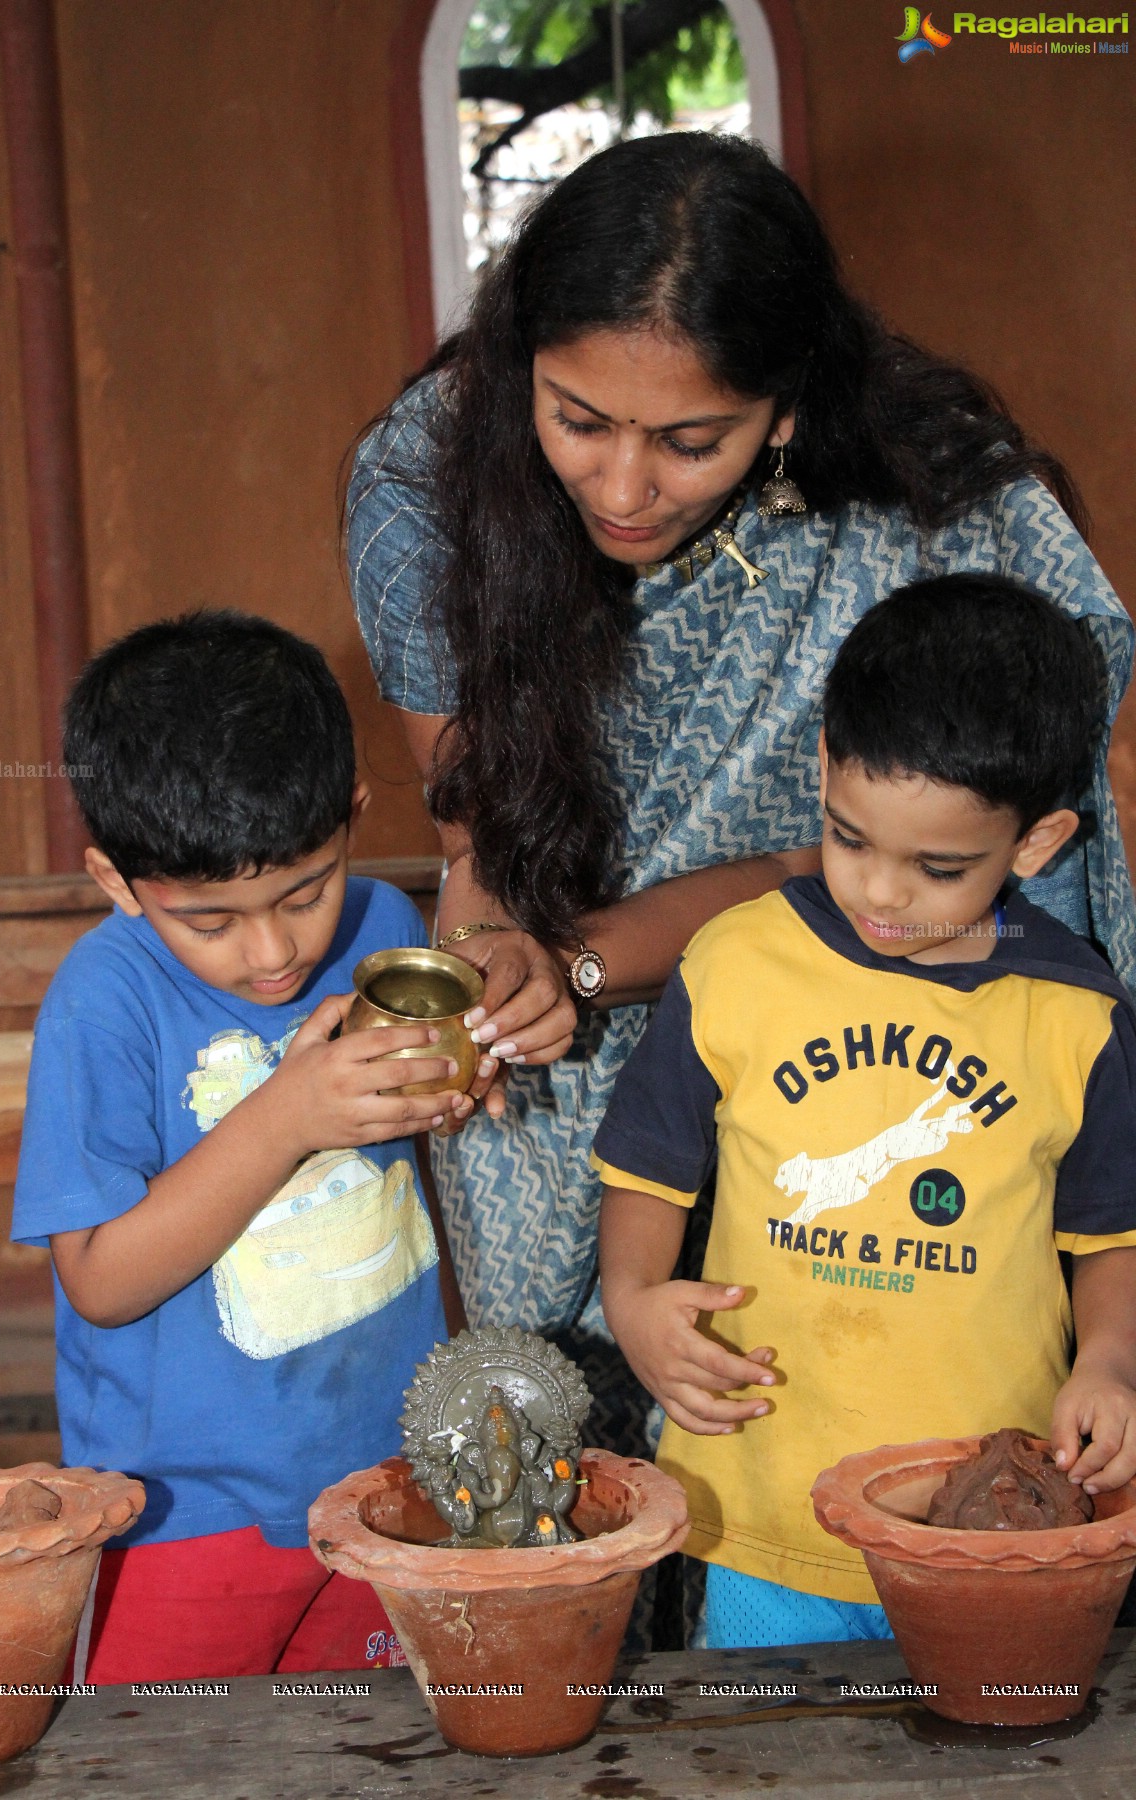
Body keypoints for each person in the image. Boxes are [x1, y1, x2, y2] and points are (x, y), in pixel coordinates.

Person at [346, 131, 1136, 1471]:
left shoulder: (927, 506)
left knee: (866, 1419)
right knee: (575, 1458)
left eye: (691, 440)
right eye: (577, 420)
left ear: (785, 411)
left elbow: (922, 852)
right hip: (567, 1045)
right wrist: (505, 975)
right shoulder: (427, 484)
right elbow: (479, 823)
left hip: (872, 1051)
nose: (624, 486)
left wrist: (589, 963)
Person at [593, 574, 1136, 1648]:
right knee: (764, 1752)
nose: (882, 894)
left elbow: (1109, 1232)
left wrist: (1112, 1360)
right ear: (825, 764)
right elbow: (647, 1169)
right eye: (849, 838)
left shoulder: (1075, 1013)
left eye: (939, 868)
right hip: (769, 1501)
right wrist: (634, 1298)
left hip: (989, 1521)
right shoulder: (738, 960)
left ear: (1035, 844)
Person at [12, 611, 468, 1681]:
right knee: (174, 1764)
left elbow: (416, 1175)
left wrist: (459, 1092)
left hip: (380, 1481)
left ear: (353, 816)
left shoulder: (386, 933)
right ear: (118, 883)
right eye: (210, 921)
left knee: (369, 1756)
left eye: (303, 893)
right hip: (182, 1513)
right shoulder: (105, 1000)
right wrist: (286, 1117)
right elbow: (102, 1280)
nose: (271, 951)